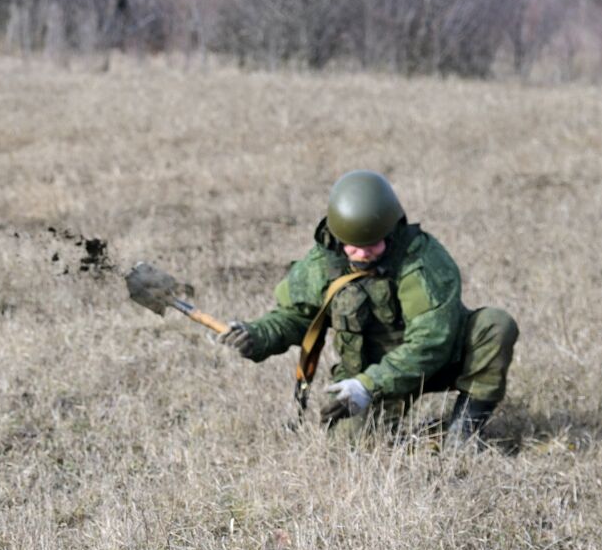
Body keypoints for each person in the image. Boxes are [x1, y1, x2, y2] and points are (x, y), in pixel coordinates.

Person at [220, 170, 519, 445]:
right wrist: (258, 335)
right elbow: (296, 316)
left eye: (372, 244)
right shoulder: (322, 263)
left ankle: (463, 432)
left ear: (390, 230)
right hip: (365, 376)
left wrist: (369, 385)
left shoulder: (423, 261)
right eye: (352, 245)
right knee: (353, 447)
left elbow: (431, 343)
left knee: (494, 326)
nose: (362, 253)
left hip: (436, 364)